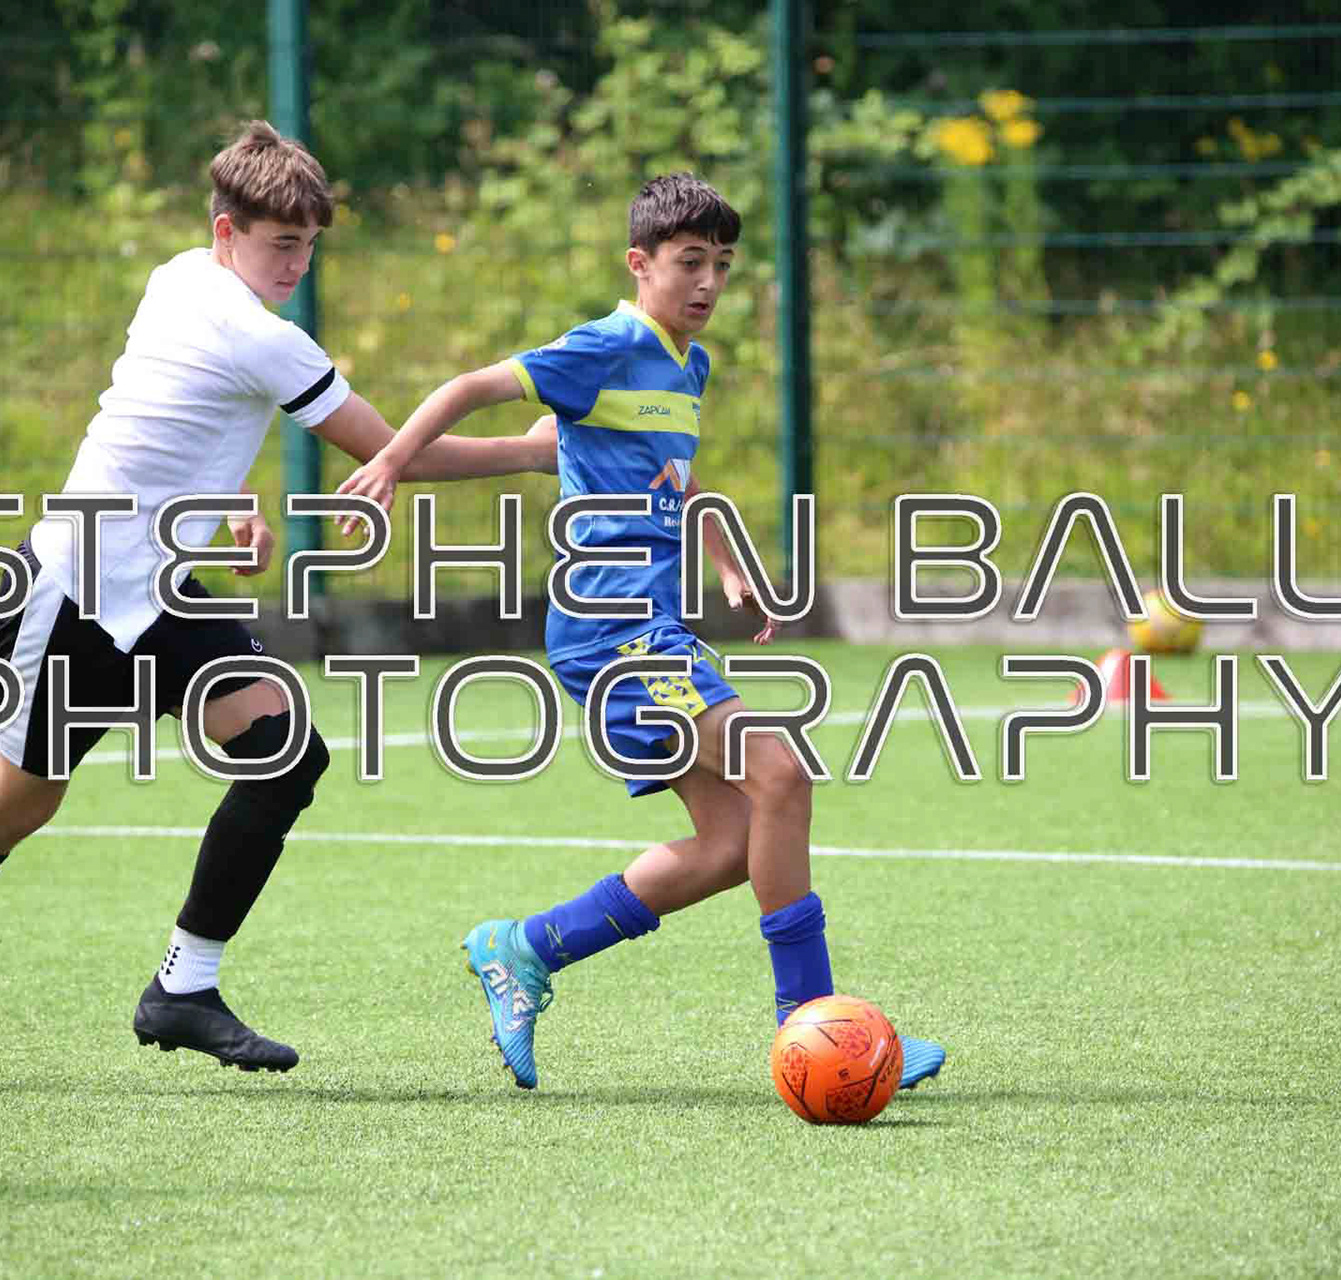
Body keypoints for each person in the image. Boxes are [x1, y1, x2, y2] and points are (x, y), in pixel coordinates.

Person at [0, 120, 558, 1086]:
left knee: (286, 753)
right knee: (16, 803)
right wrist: (530, 452)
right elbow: (391, 451)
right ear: (226, 231)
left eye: (309, 244)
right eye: (280, 242)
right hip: (76, 590)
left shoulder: (180, 277)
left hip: (158, 588)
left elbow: (174, 418)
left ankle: (185, 985)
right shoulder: (261, 335)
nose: (296, 264)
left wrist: (230, 508)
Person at [336, 173, 947, 1091]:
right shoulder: (603, 348)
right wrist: (389, 457)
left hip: (646, 626)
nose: (709, 282)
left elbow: (668, 476)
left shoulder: (688, 367)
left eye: (723, 265)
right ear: (639, 263)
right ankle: (817, 1028)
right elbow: (471, 387)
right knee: (781, 774)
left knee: (732, 844)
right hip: (610, 630)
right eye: (690, 261)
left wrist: (727, 561)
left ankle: (527, 947)